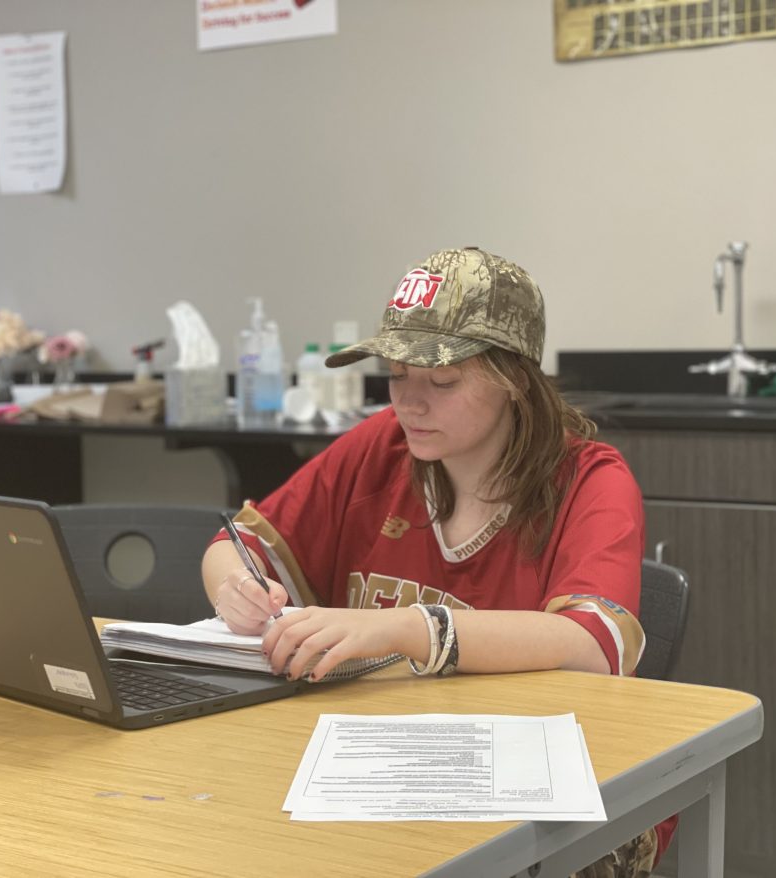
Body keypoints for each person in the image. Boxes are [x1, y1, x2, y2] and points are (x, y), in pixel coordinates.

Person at [201, 246, 673, 877]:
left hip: (550, 796)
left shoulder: (591, 480)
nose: (410, 404)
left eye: (442, 382)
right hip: (390, 775)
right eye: (397, 376)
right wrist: (238, 587)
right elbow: (237, 543)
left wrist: (410, 628)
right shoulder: (380, 447)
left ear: (513, 379)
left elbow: (596, 643)